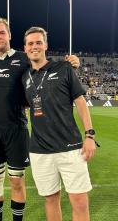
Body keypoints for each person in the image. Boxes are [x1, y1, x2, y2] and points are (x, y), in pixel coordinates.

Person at [0, 18, 80, 221]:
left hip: (18, 128)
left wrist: (71, 63)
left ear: (9, 35)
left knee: (17, 180)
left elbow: (46, 68)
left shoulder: (24, 58)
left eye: (1, 32)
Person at [22, 26, 97, 221]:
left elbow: (80, 102)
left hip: (70, 148)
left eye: (39, 42)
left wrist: (89, 135)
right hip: (40, 150)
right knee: (50, 200)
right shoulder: (24, 77)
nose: (35, 46)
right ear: (25, 48)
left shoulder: (64, 68)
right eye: (30, 43)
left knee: (79, 200)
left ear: (46, 45)